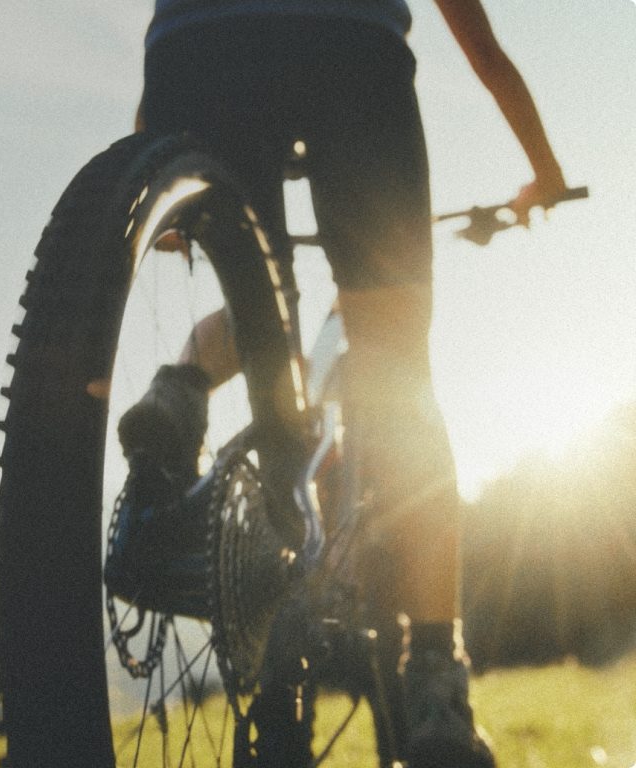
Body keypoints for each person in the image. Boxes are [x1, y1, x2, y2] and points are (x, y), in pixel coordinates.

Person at [118, 1, 568, 766]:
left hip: (194, 54)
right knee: (397, 365)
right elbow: (483, 49)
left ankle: (182, 389)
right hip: (349, 48)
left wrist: (148, 169)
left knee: (262, 315)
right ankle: (434, 685)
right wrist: (545, 172)